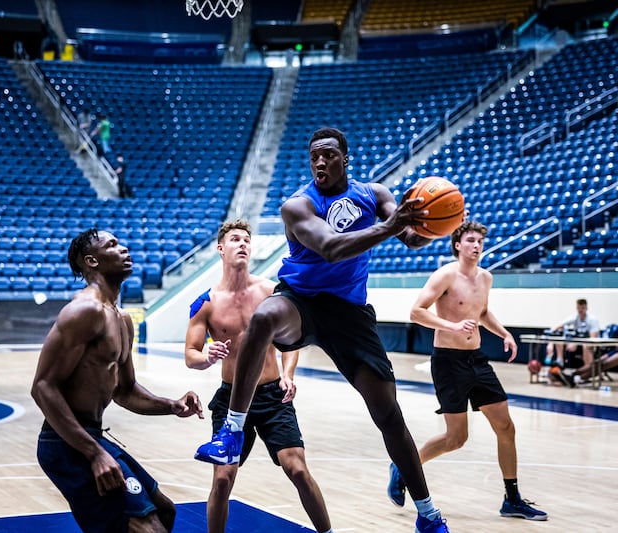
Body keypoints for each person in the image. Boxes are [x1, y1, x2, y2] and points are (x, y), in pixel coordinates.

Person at [194, 127, 451, 533]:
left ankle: (428, 513)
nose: (319, 162)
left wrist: (432, 222)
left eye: (329, 155)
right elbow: (330, 246)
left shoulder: (376, 194)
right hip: (301, 300)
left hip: (350, 314)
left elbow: (409, 238)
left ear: (345, 159)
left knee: (389, 416)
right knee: (263, 316)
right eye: (314, 155)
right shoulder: (297, 204)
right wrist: (389, 227)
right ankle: (231, 430)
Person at [31, 228, 203, 532]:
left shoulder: (122, 319)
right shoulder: (84, 311)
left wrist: (172, 405)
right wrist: (95, 453)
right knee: (147, 527)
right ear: (91, 261)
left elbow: (125, 391)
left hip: (90, 438)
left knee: (164, 512)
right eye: (112, 245)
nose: (124, 249)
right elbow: (42, 387)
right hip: (65, 444)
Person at [387, 220, 547, 521]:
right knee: (456, 438)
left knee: (506, 427)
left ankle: (511, 499)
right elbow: (416, 311)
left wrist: (504, 333)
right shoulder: (445, 274)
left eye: (480, 241)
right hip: (448, 362)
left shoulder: (485, 278)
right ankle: (403, 467)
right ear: (458, 245)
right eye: (471, 240)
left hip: (477, 359)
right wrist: (452, 325)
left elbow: (482, 311)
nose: (477, 246)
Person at [186, 220, 332, 533]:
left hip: (271, 396)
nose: (242, 244)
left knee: (297, 469)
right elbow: (190, 355)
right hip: (230, 398)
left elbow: (292, 340)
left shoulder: (270, 291)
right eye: (235, 239)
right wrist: (206, 357)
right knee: (223, 480)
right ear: (220, 248)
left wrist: (288, 374)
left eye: (247, 240)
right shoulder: (206, 303)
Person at [545, 298, 600, 372]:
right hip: (578, 341)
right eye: (579, 308)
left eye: (582, 308)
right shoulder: (574, 318)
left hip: (591, 343)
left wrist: (579, 343)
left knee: (586, 345)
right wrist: (550, 343)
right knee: (560, 338)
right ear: (576, 308)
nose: (580, 310)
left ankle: (588, 369)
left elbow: (593, 338)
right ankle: (560, 361)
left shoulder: (593, 320)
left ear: (586, 308)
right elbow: (557, 326)